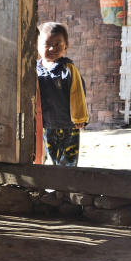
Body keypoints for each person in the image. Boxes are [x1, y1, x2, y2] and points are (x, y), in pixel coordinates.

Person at [36, 22, 88, 166]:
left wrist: (79, 118)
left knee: (68, 159)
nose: (52, 48)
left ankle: (66, 186)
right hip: (46, 124)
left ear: (66, 46)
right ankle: (56, 185)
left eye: (58, 44)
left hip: (68, 124)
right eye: (47, 44)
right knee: (51, 157)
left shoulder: (68, 69)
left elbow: (78, 93)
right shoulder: (34, 69)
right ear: (37, 46)